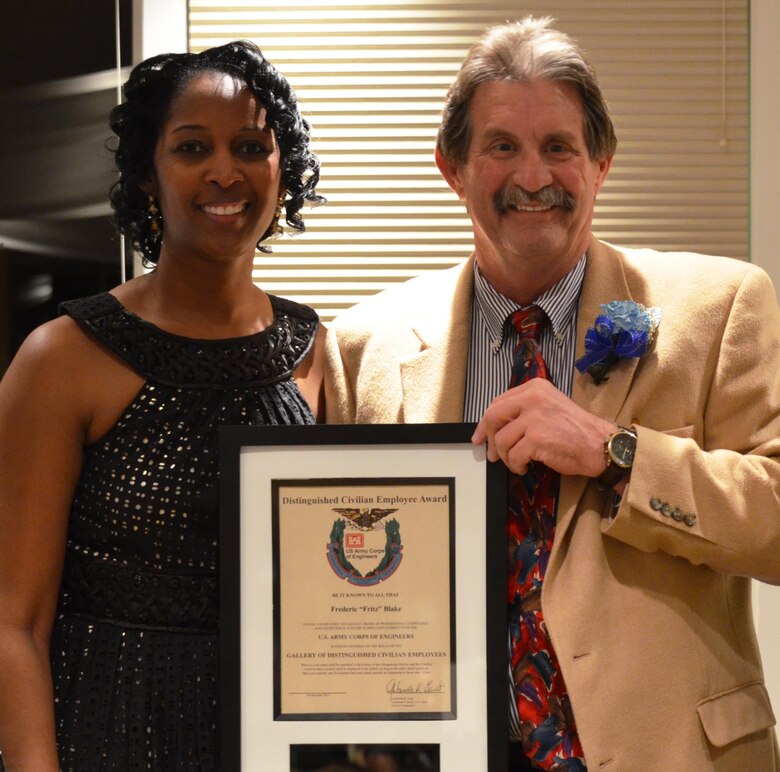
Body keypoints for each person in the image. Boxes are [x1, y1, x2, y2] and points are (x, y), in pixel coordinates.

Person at [325, 16, 780, 771]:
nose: (532, 176)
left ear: (601, 164)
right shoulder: (363, 345)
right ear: (452, 168)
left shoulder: (722, 304)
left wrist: (617, 453)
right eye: (501, 146)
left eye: (559, 147)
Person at [0, 41, 325, 770]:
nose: (223, 170)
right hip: (107, 735)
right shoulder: (62, 358)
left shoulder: (316, 353)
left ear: (283, 173)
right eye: (191, 147)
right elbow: (10, 624)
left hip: (271, 745)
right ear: (148, 176)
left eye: (250, 146)